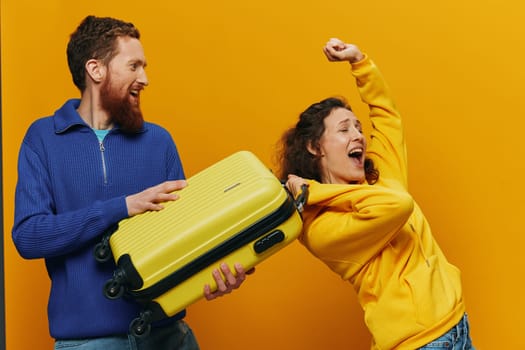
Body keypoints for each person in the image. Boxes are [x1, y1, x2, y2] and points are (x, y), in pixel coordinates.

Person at [12, 15, 252, 350]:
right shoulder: (43, 138)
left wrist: (213, 275)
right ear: (96, 70)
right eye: (134, 66)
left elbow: (187, 235)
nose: (145, 78)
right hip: (87, 343)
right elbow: (29, 236)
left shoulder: (159, 141)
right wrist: (122, 207)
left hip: (171, 338)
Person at [278, 38, 475, 349]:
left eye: (358, 127)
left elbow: (387, 117)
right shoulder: (320, 229)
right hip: (419, 344)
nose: (358, 134)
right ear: (315, 147)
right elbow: (397, 206)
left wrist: (360, 64)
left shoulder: (379, 176)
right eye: (344, 130)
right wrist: (314, 193)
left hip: (456, 323)